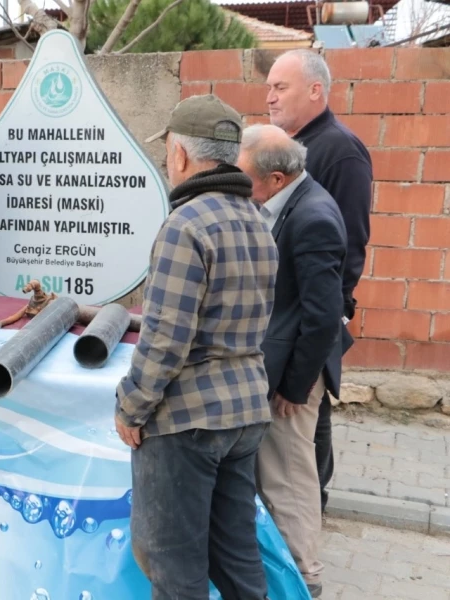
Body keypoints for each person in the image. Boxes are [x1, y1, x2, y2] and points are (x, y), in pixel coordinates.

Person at [115, 95, 278, 600]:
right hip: (245, 410)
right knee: (236, 558)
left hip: (188, 420)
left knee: (173, 566)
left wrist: (131, 407)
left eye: (167, 150)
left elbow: (165, 338)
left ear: (180, 155)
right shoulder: (259, 220)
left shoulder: (185, 224)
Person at [237, 124, 348, 599]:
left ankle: (306, 577)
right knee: (278, 473)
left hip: (296, 376)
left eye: (247, 179)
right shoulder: (289, 202)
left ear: (277, 178)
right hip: (283, 365)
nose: (242, 188)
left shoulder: (313, 217)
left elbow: (324, 318)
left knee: (288, 476)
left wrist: (294, 387)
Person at [266, 49, 372, 512]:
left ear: (316, 90)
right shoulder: (285, 145)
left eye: (280, 87)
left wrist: (330, 311)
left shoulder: (339, 150)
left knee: (306, 416)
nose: (269, 96)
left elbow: (349, 242)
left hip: (313, 312)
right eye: (268, 86)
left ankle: (312, 515)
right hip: (284, 315)